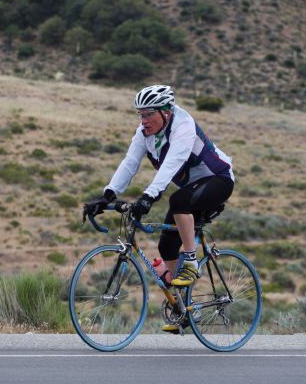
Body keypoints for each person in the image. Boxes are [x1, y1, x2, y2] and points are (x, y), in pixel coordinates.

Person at [82, 85, 235, 330]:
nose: (144, 121)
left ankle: (192, 263)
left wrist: (149, 196)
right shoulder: (144, 133)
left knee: (178, 202)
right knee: (166, 245)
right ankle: (184, 309)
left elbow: (171, 164)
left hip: (217, 180)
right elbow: (129, 163)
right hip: (191, 188)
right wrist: (107, 195)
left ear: (166, 112)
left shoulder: (183, 126)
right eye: (140, 115)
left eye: (148, 114)